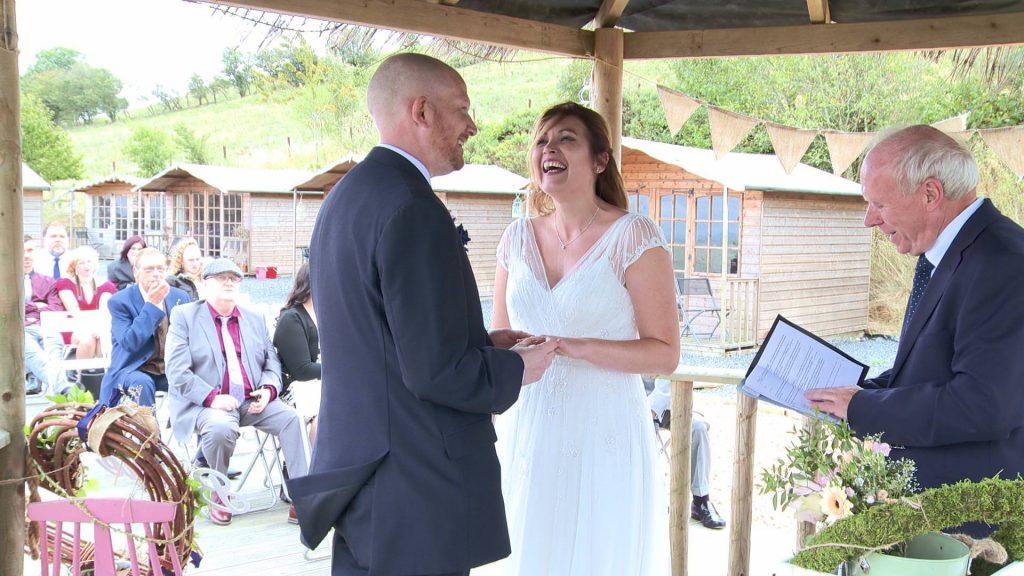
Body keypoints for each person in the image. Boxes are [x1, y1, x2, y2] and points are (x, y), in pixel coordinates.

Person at [287, 53, 557, 576]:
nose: (472, 126)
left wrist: (483, 342)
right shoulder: (413, 208)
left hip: (364, 470)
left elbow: (380, 335)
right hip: (415, 479)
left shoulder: (345, 197)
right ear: (423, 112)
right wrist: (519, 367)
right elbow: (434, 371)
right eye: (462, 109)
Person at [489, 102, 680, 575]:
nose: (549, 148)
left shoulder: (634, 236)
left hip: (604, 429)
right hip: (529, 426)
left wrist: (572, 346)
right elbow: (497, 336)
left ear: (600, 161)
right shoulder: (515, 238)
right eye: (541, 140)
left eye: (566, 138)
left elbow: (666, 352)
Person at [805, 125, 1024, 537]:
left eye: (879, 203)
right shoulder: (950, 253)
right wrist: (854, 392)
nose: (870, 219)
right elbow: (933, 370)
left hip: (971, 524)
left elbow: (984, 405)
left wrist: (863, 409)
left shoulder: (1003, 261)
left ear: (930, 194)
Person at [165, 258, 308, 527]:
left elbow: (271, 362)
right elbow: (177, 372)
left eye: (234, 278)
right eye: (221, 278)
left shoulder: (253, 318)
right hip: (206, 404)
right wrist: (212, 398)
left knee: (293, 419)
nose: (229, 282)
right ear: (204, 284)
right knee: (220, 428)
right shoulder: (184, 317)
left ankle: (302, 498)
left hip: (252, 400)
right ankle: (219, 495)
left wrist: (268, 389)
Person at [99, 247, 190, 407]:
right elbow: (130, 343)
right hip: (132, 368)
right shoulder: (120, 301)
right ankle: (150, 432)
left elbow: (191, 336)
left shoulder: (180, 296)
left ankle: (190, 430)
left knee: (195, 380)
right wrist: (152, 305)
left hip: (168, 369)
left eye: (160, 268)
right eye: (149, 269)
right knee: (142, 384)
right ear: (136, 272)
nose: (156, 273)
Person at [648, 378, 726, 530]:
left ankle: (701, 500)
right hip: (636, 402)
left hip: (671, 400)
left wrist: (652, 407)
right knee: (643, 431)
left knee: (699, 428)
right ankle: (652, 499)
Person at [273, 263, 321, 441]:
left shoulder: (327, 315)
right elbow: (302, 370)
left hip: (320, 383)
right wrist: (341, 370)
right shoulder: (292, 318)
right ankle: (310, 464)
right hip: (293, 388)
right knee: (328, 410)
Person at [23, 236, 69, 395]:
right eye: (21, 251)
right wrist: (36, 305)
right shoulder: (5, 281)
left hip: (42, 326)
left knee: (54, 339)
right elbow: (8, 307)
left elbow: (56, 309)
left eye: (29, 250)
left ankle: (44, 380)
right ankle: (62, 388)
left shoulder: (47, 281)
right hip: (19, 328)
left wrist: (27, 311)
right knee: (28, 345)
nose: (26, 255)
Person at [55, 246, 117, 359]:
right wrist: (91, 329)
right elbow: (74, 310)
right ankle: (80, 374)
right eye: (81, 263)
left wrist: (98, 329)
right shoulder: (65, 284)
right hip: (74, 327)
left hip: (99, 327)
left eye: (89, 261)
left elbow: (104, 312)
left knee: (102, 340)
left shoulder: (107, 286)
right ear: (74, 267)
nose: (86, 265)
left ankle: (100, 375)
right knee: (88, 340)